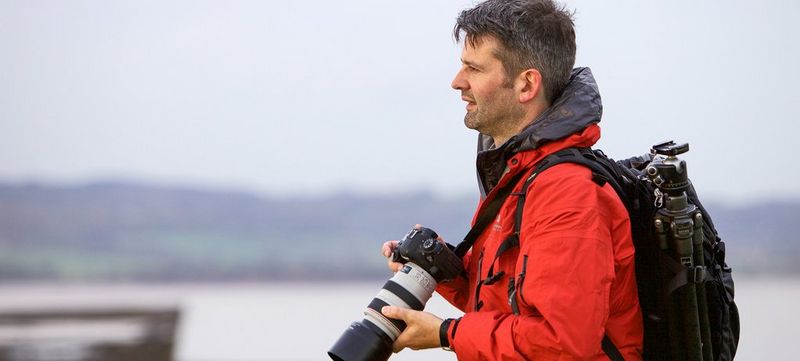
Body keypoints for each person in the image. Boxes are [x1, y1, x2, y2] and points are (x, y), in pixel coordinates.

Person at [379, 0, 644, 359]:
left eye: (473, 68)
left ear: (526, 84)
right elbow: (508, 301)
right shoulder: (521, 175)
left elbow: (562, 341)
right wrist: (443, 271)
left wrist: (445, 333)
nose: (457, 83)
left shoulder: (566, 192)